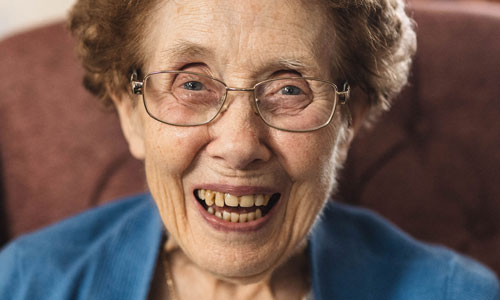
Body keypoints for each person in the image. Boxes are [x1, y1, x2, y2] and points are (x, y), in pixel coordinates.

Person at [0, 0, 498, 299]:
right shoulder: (25, 283)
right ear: (130, 115)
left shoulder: (454, 293)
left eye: (288, 89)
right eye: (192, 84)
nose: (239, 146)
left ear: (349, 121)